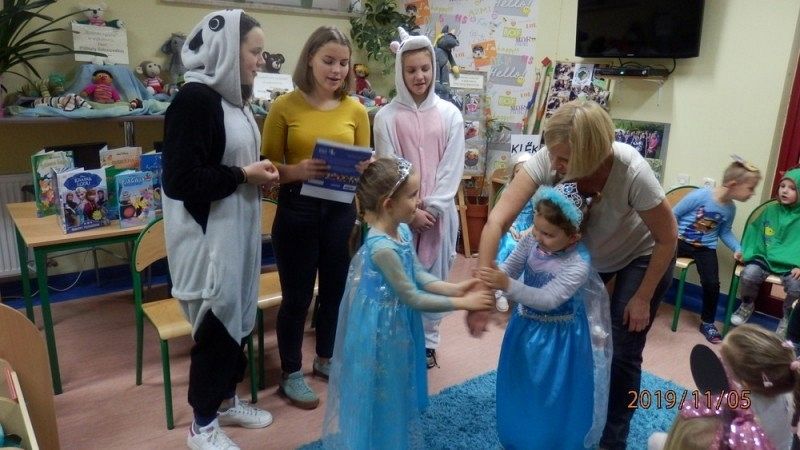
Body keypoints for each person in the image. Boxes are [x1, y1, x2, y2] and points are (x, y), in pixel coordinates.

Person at [472, 99, 678, 449]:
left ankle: (612, 440)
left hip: (639, 256)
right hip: (585, 255)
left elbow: (668, 237)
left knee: (623, 351)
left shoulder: (632, 170)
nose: (556, 165)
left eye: (565, 160)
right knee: (581, 341)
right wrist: (483, 289)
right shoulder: (552, 157)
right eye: (553, 155)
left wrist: (643, 297)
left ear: (592, 154)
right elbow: (497, 220)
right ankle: (571, 417)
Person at [161, 10, 279, 450]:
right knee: (216, 327)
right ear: (227, 49)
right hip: (208, 240)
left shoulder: (234, 100)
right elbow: (181, 180)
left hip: (237, 233)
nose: (261, 61)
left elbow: (232, 163)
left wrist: (255, 174)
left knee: (239, 319)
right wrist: (244, 175)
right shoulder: (195, 101)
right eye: (254, 51)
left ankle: (227, 401)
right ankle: (202, 426)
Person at [321, 158, 494, 449]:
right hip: (379, 331)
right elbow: (412, 296)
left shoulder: (400, 231)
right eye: (413, 195)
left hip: (396, 323)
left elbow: (419, 276)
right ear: (388, 204)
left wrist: (457, 287)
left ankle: (391, 437)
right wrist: (464, 302)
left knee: (396, 388)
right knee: (380, 391)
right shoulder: (381, 248)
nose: (419, 201)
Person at [261, 26, 370, 409]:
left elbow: (364, 165)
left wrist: (365, 168)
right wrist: (296, 171)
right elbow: (265, 168)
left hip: (340, 210)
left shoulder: (356, 110)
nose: (337, 70)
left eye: (343, 63)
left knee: (335, 291)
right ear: (310, 59)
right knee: (297, 297)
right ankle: (291, 372)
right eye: (328, 61)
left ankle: (326, 358)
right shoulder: (284, 106)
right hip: (297, 210)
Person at [477, 182, 612, 449]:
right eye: (536, 228)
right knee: (522, 383)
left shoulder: (578, 263)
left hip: (560, 339)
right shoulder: (532, 240)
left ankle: (551, 439)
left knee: (553, 392)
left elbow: (548, 299)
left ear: (573, 237)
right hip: (524, 327)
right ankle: (522, 435)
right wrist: (490, 282)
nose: (538, 237)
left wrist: (506, 285)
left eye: (548, 234)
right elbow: (511, 267)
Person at [373, 27, 465, 369]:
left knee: (435, 277)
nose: (419, 76)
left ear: (433, 67)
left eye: (425, 68)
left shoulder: (450, 115)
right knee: (399, 276)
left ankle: (428, 341)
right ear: (401, 71)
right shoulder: (386, 117)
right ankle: (399, 337)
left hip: (439, 215)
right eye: (411, 70)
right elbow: (389, 167)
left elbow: (451, 166)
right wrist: (409, 213)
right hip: (399, 216)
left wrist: (435, 208)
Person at [648, 324, 797, 450]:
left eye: (724, 361)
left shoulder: (735, 410)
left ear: (745, 383)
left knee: (654, 440)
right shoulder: (789, 389)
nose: (719, 362)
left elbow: (707, 436)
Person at [672, 158, 761, 343]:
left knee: (712, 284)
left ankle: (707, 323)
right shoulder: (700, 196)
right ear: (733, 184)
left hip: (705, 248)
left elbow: (725, 232)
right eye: (750, 188)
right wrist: (668, 239)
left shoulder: (730, 209)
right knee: (657, 264)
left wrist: (737, 248)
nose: (752, 193)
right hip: (680, 241)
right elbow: (673, 214)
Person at [732, 167, 800, 336]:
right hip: (764, 257)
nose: (785, 191)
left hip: (791, 264)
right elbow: (754, 231)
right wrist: (746, 251)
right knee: (749, 274)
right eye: (782, 186)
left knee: (796, 287)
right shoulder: (770, 210)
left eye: (792, 188)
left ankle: (788, 317)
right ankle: (747, 304)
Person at [495, 152, 535, 263]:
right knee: (508, 244)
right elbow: (501, 215)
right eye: (518, 172)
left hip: (530, 229)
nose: (521, 175)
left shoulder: (536, 193)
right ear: (513, 173)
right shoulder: (507, 191)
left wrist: (529, 230)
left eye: (525, 172)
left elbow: (539, 217)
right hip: (510, 227)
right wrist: (510, 228)